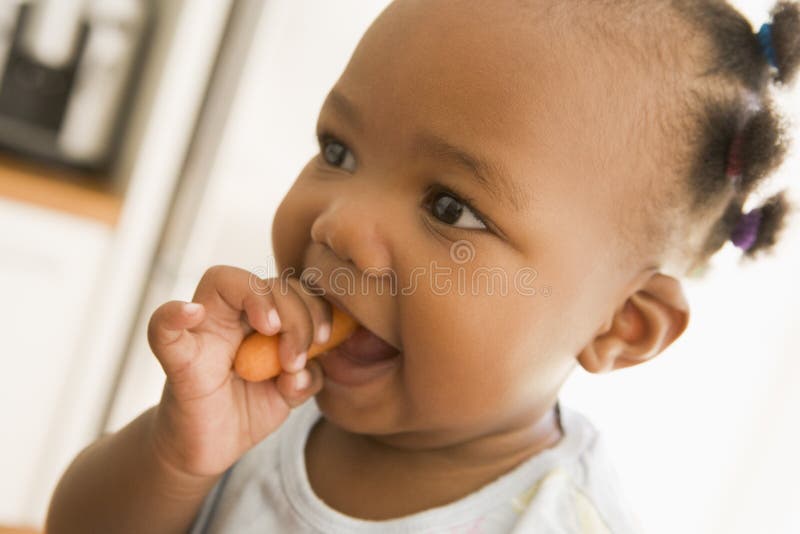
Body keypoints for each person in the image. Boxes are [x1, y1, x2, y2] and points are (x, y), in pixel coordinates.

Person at [45, 1, 800, 532]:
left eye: (449, 208)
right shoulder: (268, 405)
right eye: (338, 150)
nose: (339, 223)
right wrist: (178, 458)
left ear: (621, 326)